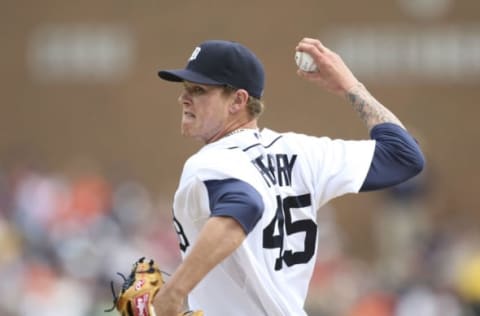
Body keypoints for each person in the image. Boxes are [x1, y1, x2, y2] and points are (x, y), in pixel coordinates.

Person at [154, 38, 425, 316]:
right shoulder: (304, 153)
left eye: (199, 89)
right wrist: (351, 86)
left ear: (238, 100)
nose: (183, 98)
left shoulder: (211, 161)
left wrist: (174, 291)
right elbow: (403, 156)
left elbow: (244, 204)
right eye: (185, 88)